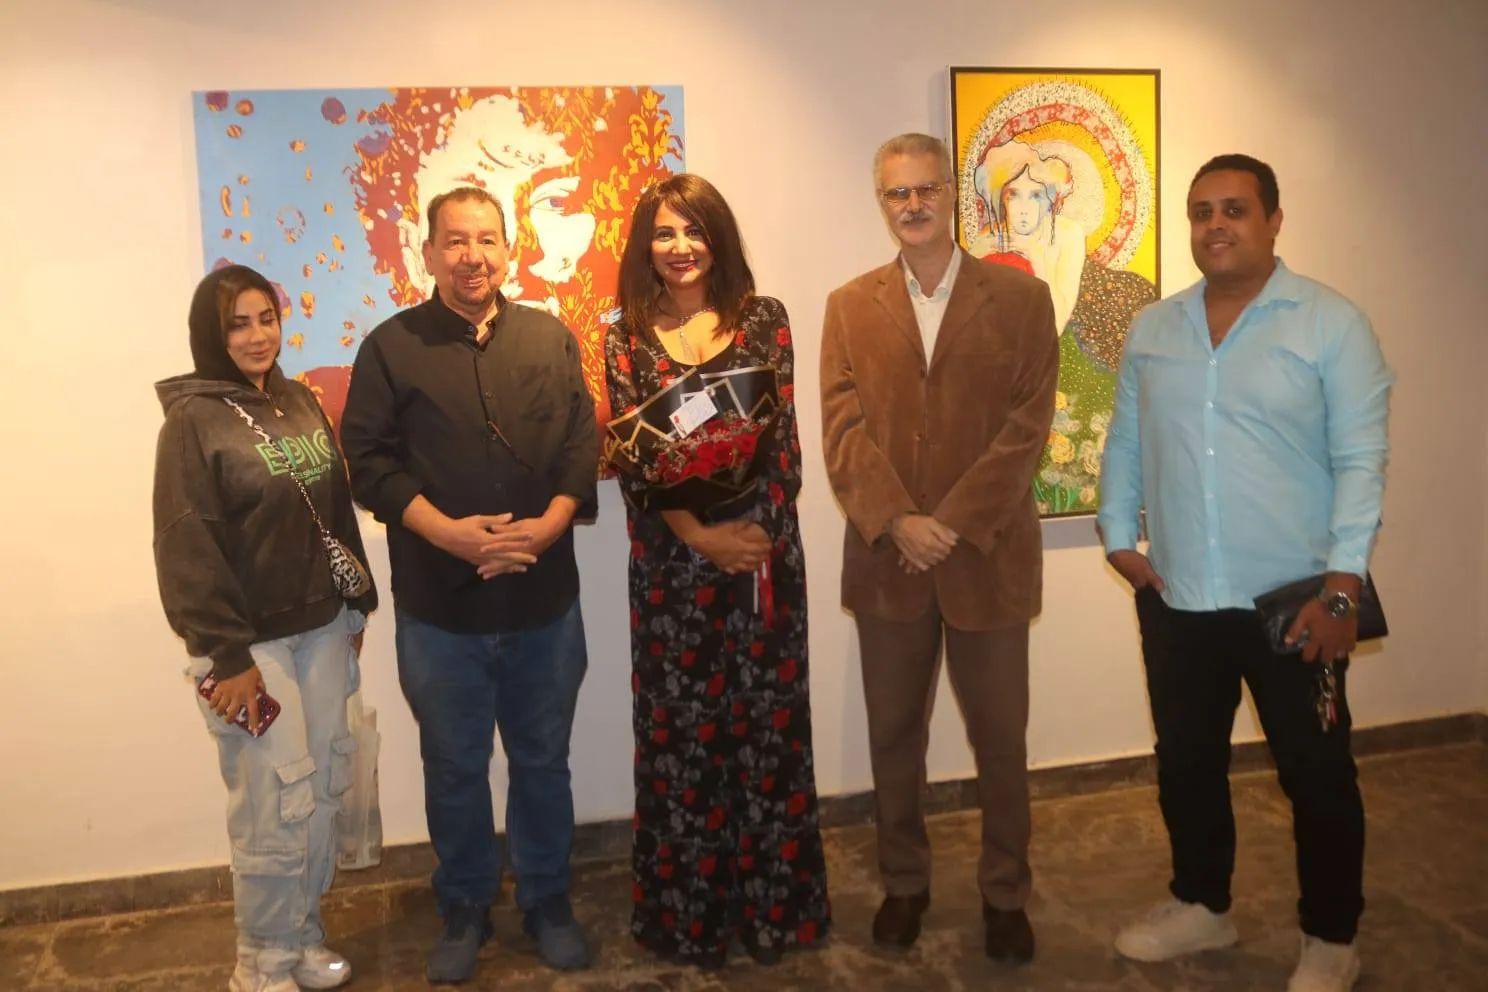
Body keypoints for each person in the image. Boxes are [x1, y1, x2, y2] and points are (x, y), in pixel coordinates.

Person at [1097, 154, 1393, 992]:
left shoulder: (1331, 323)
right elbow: (1127, 439)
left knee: (1317, 776)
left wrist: (1343, 589)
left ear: (1273, 220)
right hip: (1178, 594)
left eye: (1234, 209)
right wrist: (1118, 536)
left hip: (1297, 602)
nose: (1215, 225)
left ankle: (1331, 936)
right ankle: (1202, 903)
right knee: (1186, 764)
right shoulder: (1155, 328)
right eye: (1202, 211)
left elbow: (1362, 461)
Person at [339, 186, 598, 984]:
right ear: (428, 253)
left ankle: (547, 902)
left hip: (543, 603)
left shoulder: (550, 338)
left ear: (508, 250)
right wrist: (448, 534)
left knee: (543, 763)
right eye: (455, 241)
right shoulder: (390, 348)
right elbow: (368, 464)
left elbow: (580, 446)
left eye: (487, 240)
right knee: (453, 769)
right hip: (439, 608)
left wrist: (549, 526)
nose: (472, 257)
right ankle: (464, 908)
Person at [819, 133, 1059, 964]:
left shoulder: (1021, 300)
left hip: (986, 558)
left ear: (952, 194)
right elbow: (842, 433)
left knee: (1001, 741)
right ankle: (904, 884)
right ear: (880, 201)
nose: (913, 205)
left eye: (926, 189)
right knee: (894, 738)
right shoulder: (849, 305)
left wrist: (948, 523)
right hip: (889, 561)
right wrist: (898, 520)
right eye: (898, 193)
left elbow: (1027, 428)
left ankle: (1006, 893)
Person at [603, 173, 832, 970]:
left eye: (694, 230)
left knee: (769, 736)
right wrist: (702, 539)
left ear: (718, 238)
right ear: (646, 247)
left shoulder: (765, 320)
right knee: (684, 744)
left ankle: (777, 915)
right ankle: (690, 922)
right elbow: (636, 467)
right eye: (664, 233)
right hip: (672, 571)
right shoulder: (625, 337)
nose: (680, 247)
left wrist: (752, 538)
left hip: (762, 560)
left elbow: (784, 445)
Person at [152, 264, 378, 992]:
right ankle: (261, 963)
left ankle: (302, 938)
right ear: (210, 336)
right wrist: (226, 655)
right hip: (250, 648)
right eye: (238, 325)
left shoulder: (297, 400)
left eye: (266, 319)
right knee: (273, 805)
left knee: (324, 788)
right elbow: (186, 544)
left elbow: (335, 511)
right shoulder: (192, 422)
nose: (257, 337)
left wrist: (356, 605)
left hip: (322, 629)